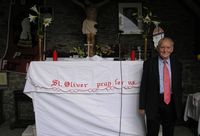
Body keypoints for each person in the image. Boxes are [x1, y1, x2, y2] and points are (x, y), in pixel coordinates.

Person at [139, 37, 183, 136]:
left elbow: (179, 87)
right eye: (162, 47)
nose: (165, 50)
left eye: (168, 47)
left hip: (171, 103)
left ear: (172, 49)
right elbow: (144, 85)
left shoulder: (177, 65)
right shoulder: (149, 64)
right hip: (153, 102)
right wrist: (142, 106)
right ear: (158, 48)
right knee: (152, 132)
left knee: (169, 132)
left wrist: (179, 104)